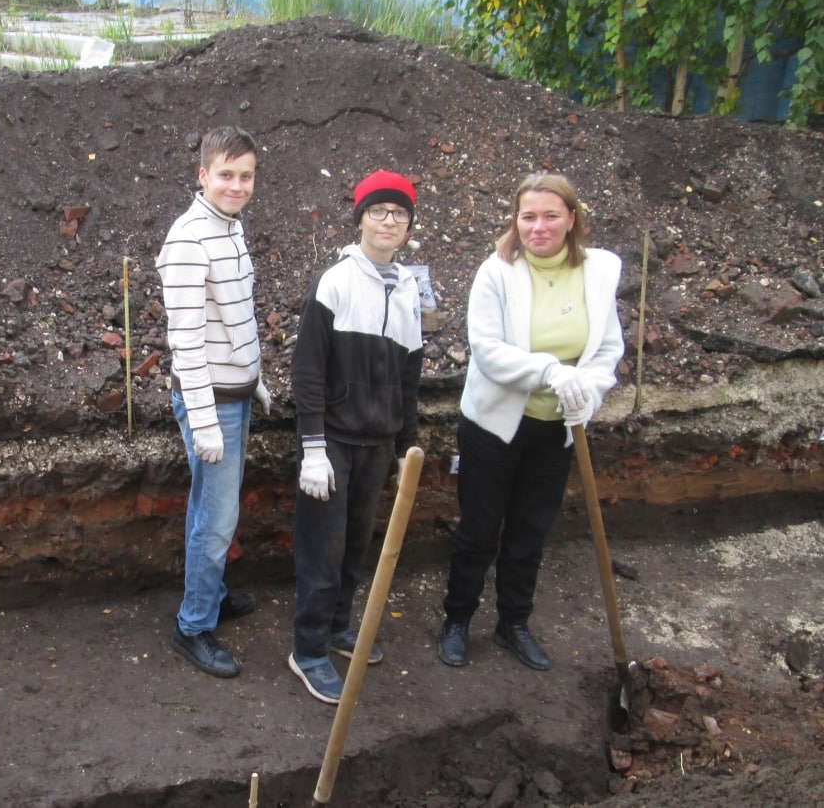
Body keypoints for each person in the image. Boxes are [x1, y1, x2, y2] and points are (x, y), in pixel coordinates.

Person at [438, 172, 624, 672]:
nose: (538, 227)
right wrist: (549, 370)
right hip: (494, 425)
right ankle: (457, 620)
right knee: (479, 527)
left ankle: (513, 623)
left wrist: (590, 389)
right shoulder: (496, 272)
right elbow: (489, 351)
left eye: (550, 216)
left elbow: (607, 347)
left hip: (557, 426)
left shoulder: (600, 272)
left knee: (530, 529)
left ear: (572, 219)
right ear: (515, 220)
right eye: (528, 217)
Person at [287, 171, 424, 704]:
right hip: (334, 442)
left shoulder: (407, 289)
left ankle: (340, 627)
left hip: (378, 442)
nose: (389, 221)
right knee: (322, 548)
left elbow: (409, 375)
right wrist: (313, 448)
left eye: (399, 213)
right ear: (360, 218)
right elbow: (308, 371)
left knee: (356, 545)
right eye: (378, 211)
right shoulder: (336, 282)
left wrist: (406, 443)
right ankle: (309, 650)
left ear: (408, 226)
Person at [155, 126, 271, 679]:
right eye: (226, 174)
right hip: (211, 405)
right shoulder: (188, 240)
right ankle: (194, 625)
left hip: (234, 394)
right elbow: (188, 340)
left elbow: (236, 317)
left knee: (213, 510)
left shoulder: (228, 228)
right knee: (216, 518)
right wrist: (203, 420)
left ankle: (212, 593)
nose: (237, 185)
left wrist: (253, 378)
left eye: (245, 175)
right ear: (202, 175)